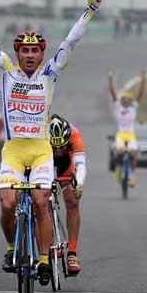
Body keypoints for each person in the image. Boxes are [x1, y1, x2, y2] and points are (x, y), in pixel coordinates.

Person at [0, 0, 101, 286]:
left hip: (41, 149)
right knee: (7, 203)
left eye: (35, 50)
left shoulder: (50, 73)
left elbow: (70, 42)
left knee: (40, 200)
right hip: (13, 150)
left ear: (41, 53)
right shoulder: (6, 68)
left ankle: (45, 260)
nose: (30, 55)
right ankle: (10, 248)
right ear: (17, 53)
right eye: (25, 50)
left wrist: (90, 10)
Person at [49, 114, 86, 276]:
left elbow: (81, 165)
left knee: (72, 201)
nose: (58, 151)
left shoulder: (74, 135)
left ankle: (72, 253)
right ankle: (47, 245)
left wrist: (78, 183)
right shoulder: (42, 135)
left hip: (67, 164)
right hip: (45, 161)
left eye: (61, 147)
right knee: (40, 200)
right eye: (54, 147)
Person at [107, 70, 146, 187]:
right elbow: (113, 93)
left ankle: (132, 177)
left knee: (133, 154)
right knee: (118, 153)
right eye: (124, 100)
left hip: (130, 134)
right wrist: (110, 80)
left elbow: (140, 94)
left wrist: (143, 80)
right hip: (120, 134)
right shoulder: (118, 107)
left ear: (130, 101)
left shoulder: (133, 107)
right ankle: (118, 169)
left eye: (128, 100)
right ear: (122, 101)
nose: (126, 102)